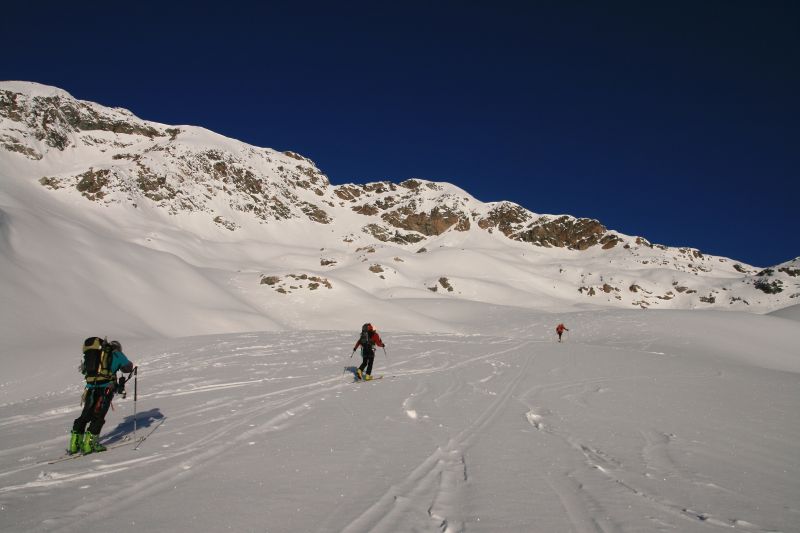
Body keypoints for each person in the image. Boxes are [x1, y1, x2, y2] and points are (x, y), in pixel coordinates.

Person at [69, 338, 134, 454]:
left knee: (86, 414)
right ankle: (90, 444)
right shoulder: (117, 354)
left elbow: (84, 371)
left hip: (91, 388)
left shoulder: (95, 355)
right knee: (99, 415)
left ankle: (75, 443)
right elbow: (127, 368)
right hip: (106, 388)